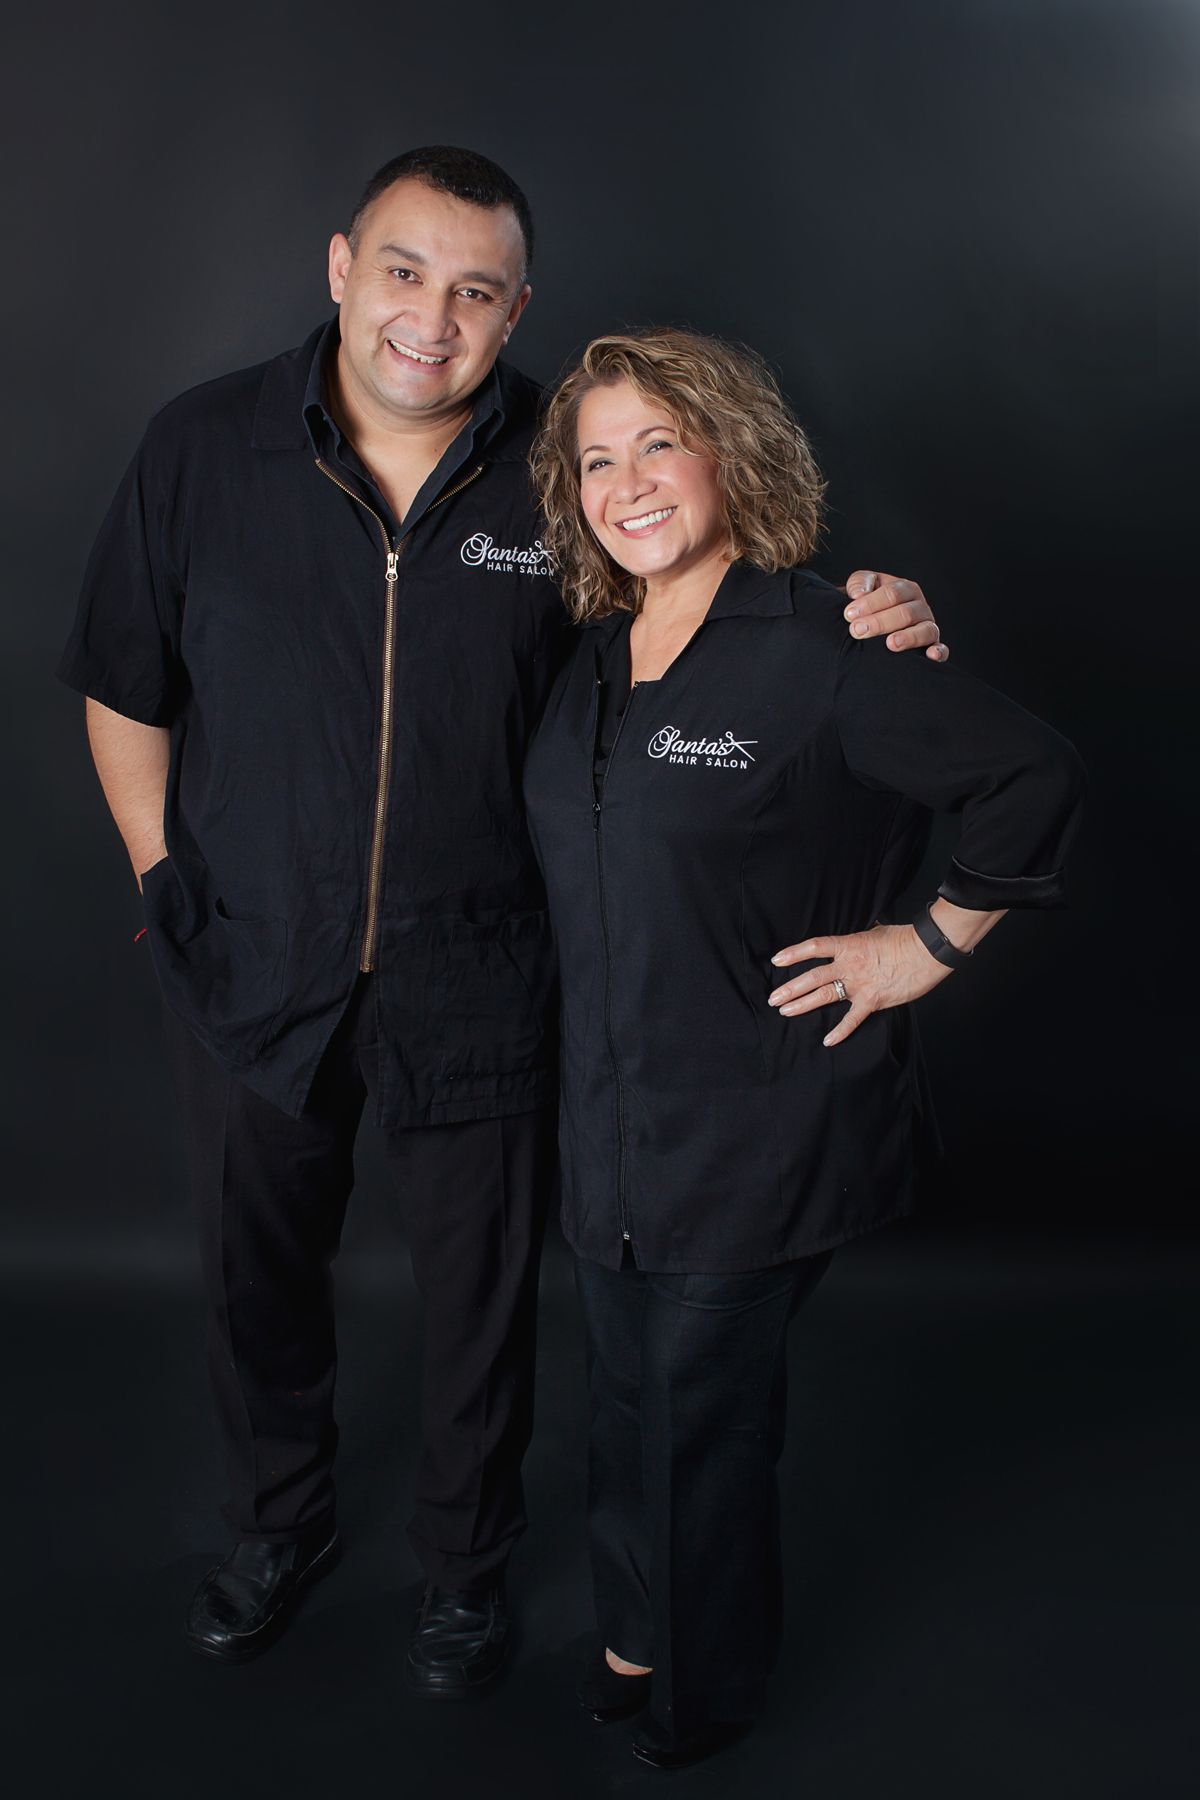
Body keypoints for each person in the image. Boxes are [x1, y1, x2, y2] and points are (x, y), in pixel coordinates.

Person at [58, 149, 948, 1694]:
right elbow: (125, 681)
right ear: (341, 266)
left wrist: (879, 626)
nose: (434, 316)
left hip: (487, 972)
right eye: (405, 270)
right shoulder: (202, 448)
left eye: (478, 290)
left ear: (516, 308)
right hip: (247, 961)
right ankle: (277, 1527)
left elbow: (711, 607)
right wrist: (158, 874)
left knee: (479, 1305)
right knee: (252, 1280)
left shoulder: (565, 465)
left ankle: (463, 1571)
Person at [523, 328, 1085, 1766]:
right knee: (628, 1393)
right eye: (598, 457)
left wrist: (930, 944)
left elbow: (1028, 771)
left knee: (703, 1417)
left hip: (766, 1117)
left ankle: (702, 1693)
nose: (628, 480)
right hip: (613, 1121)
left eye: (661, 441)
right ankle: (634, 1636)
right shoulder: (587, 665)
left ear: (731, 450)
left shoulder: (826, 642)